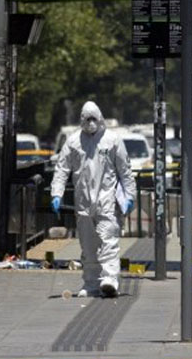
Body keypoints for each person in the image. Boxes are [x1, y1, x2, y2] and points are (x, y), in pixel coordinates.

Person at [50, 102, 136, 298]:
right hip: (83, 203)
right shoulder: (73, 142)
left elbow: (125, 170)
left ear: (100, 119)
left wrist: (129, 195)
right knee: (88, 246)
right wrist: (56, 193)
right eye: (87, 119)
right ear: (82, 120)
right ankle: (91, 283)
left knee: (108, 240)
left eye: (93, 119)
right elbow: (62, 169)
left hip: (107, 201)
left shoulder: (112, 140)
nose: (90, 123)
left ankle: (110, 279)